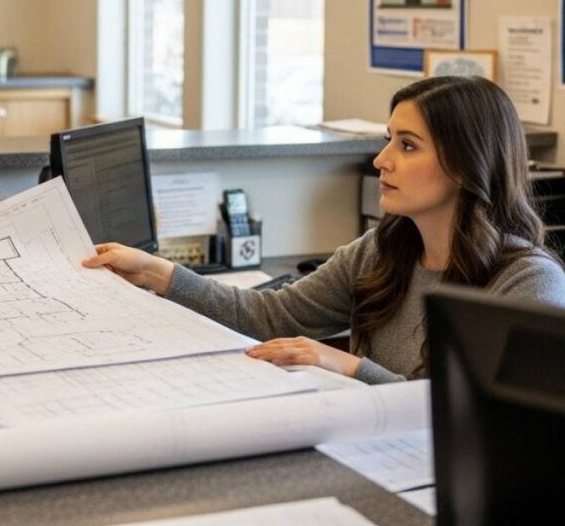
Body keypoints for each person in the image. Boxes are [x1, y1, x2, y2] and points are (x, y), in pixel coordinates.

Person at [84, 77, 565, 384]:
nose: (382, 160)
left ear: (466, 166)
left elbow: (466, 416)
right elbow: (271, 316)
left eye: (408, 146)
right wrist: (160, 274)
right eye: (387, 141)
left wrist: (349, 366)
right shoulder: (384, 249)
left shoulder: (529, 284)